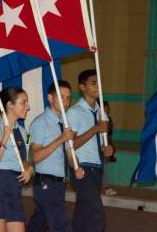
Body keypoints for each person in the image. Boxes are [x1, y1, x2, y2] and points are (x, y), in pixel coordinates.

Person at [27, 80, 85, 232]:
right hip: (46, 182)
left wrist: (76, 166)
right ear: (50, 98)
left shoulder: (64, 124)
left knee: (38, 223)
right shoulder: (40, 123)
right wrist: (61, 139)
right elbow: (36, 157)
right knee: (61, 225)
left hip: (59, 184)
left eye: (68, 97)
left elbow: (68, 152)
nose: (66, 102)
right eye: (61, 97)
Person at [66, 69, 113, 232]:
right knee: (97, 215)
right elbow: (71, 145)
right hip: (82, 169)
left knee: (83, 212)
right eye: (93, 83)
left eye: (98, 82)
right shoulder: (73, 113)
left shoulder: (101, 113)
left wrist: (106, 149)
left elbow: (101, 143)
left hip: (97, 168)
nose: (97, 86)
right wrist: (94, 129)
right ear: (82, 87)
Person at [0, 87, 34, 232]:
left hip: (14, 191)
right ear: (10, 105)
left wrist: (30, 169)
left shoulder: (24, 133)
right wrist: (5, 138)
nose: (28, 106)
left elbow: (25, 162)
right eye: (23, 102)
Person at [102, 100, 117, 196]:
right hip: (101, 147)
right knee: (103, 168)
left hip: (106, 146)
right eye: (106, 107)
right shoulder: (99, 119)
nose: (108, 109)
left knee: (104, 168)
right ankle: (107, 188)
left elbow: (109, 134)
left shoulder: (108, 119)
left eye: (108, 108)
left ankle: (106, 187)